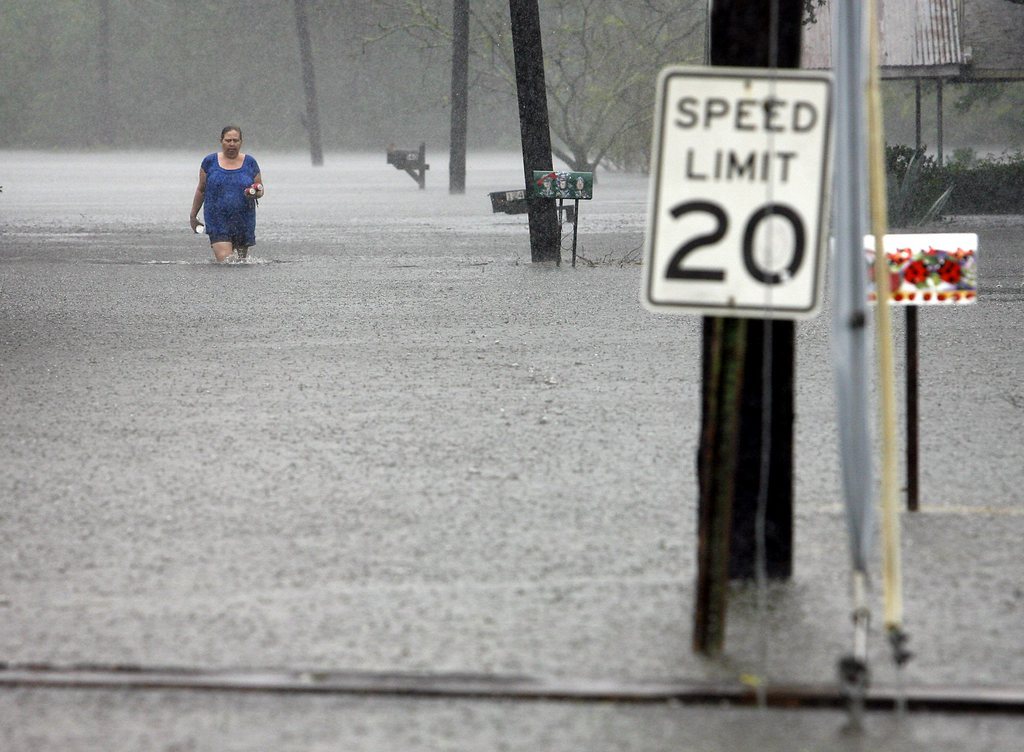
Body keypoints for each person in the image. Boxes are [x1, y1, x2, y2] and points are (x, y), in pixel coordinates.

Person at [190, 126, 264, 261]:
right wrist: (193, 215)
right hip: (217, 219)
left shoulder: (250, 163)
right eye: (228, 140)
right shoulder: (210, 162)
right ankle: (223, 283)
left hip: (244, 220)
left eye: (235, 140)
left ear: (241, 142)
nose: (231, 144)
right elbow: (201, 189)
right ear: (221, 141)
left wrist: (255, 193)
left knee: (241, 263)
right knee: (226, 261)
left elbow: (260, 189)